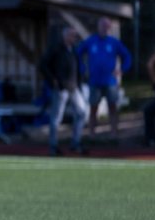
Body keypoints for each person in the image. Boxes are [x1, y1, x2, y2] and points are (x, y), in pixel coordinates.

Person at [75, 17, 132, 140]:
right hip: (94, 81)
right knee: (93, 107)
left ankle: (114, 133)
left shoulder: (114, 42)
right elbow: (77, 54)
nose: (105, 29)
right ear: (98, 27)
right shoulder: (91, 41)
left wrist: (122, 69)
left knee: (113, 107)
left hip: (110, 81)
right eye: (103, 26)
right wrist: (82, 69)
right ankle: (92, 134)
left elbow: (127, 56)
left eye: (107, 26)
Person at [38, 25, 87, 156]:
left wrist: (79, 84)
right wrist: (52, 79)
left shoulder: (74, 50)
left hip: (74, 87)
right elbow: (43, 65)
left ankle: (75, 142)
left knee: (82, 113)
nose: (74, 38)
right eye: (72, 35)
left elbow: (77, 68)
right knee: (56, 118)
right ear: (65, 36)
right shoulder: (55, 48)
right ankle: (53, 146)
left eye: (75, 35)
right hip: (60, 88)